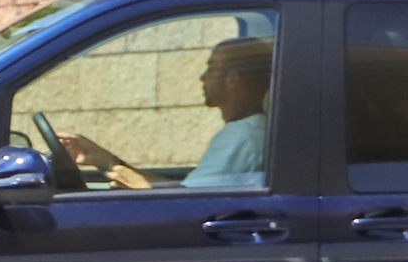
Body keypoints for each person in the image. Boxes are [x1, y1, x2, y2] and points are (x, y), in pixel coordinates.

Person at [56, 36, 272, 189]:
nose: (203, 77)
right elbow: (185, 190)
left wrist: (140, 186)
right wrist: (103, 159)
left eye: (212, 68)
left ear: (233, 79)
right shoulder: (252, 130)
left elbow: (188, 204)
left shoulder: (242, 136)